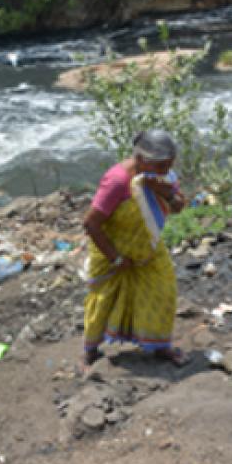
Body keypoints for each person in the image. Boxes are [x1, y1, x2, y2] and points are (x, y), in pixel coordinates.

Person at [82, 129, 189, 369]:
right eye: (160, 166)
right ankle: (89, 352)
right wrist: (116, 258)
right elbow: (91, 223)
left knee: (162, 291)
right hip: (113, 248)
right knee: (104, 298)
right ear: (141, 160)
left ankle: (160, 346)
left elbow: (179, 205)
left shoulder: (163, 177)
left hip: (148, 246)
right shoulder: (118, 181)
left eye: (169, 166)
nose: (166, 171)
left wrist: (165, 191)